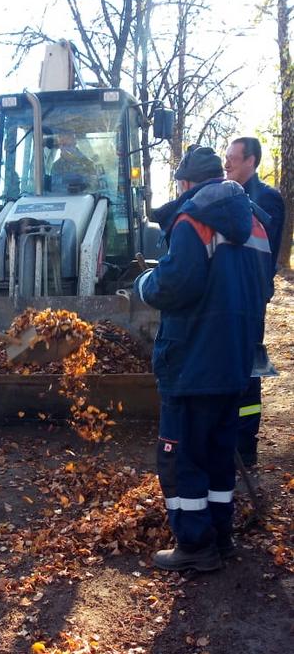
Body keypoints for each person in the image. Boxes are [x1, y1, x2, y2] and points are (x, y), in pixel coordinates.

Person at [134, 145, 272, 572]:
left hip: (192, 359)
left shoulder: (193, 220)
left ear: (187, 183)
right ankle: (220, 534)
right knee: (217, 452)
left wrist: (143, 284)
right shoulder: (256, 223)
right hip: (234, 359)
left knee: (182, 458)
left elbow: (175, 285)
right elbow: (260, 288)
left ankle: (195, 546)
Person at [225, 137, 285, 467]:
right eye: (226, 159)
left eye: (233, 159)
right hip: (230, 299)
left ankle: (245, 445)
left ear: (252, 162)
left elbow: (260, 252)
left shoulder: (267, 200)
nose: (227, 164)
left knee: (248, 371)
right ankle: (228, 441)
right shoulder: (228, 195)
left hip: (250, 301)